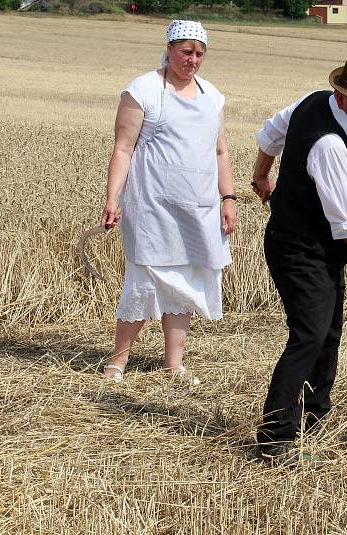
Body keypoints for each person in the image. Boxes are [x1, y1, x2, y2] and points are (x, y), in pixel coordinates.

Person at [250, 53, 347, 459]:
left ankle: (314, 419)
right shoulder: (329, 143)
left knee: (328, 332)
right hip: (299, 249)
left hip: (317, 248)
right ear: (341, 95)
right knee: (310, 335)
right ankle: (275, 434)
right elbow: (346, 221)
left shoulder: (314, 101)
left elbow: (269, 136)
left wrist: (262, 175)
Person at [99, 20, 237, 383]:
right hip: (151, 207)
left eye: (199, 54)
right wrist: (113, 198)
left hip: (199, 209)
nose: (192, 60)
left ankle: (173, 364)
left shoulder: (212, 96)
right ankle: (118, 361)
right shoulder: (143, 89)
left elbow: (220, 151)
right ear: (170, 48)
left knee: (186, 282)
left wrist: (228, 198)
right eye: (186, 52)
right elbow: (123, 147)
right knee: (143, 279)